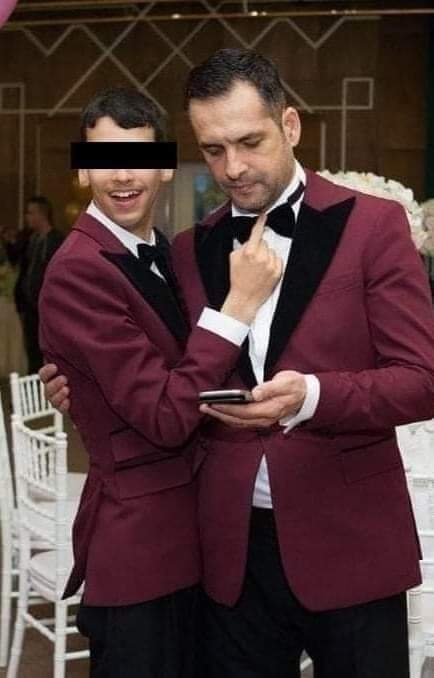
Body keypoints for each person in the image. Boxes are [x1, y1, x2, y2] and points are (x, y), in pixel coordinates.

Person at [42, 50, 434, 677]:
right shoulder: (188, 250)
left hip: (350, 542)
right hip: (226, 553)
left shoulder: (374, 227)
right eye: (214, 149)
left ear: (290, 126)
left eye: (250, 142)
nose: (233, 167)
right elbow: (166, 371)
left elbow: (421, 379)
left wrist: (312, 396)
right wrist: (80, 383)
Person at [38, 86, 281, 678]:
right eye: (104, 159)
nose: (122, 175)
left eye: (138, 158)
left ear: (166, 167)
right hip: (140, 557)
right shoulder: (78, 270)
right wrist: (238, 307)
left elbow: (180, 369)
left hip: (194, 541)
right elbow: (167, 417)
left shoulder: (163, 252)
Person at [14, 196, 63, 373]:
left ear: (42, 214)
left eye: (30, 213)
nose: (27, 217)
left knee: (48, 353)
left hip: (48, 309)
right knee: (32, 351)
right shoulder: (32, 240)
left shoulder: (56, 241)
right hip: (30, 307)